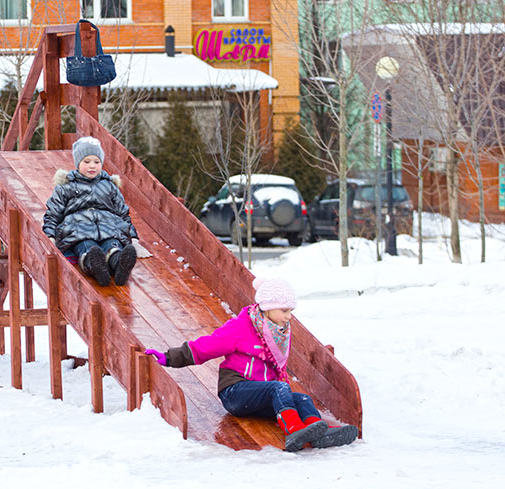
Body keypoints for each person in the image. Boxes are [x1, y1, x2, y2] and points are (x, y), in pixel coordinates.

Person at [144, 277, 358, 452]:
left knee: (301, 398)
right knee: (280, 387)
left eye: (290, 311)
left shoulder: (279, 333)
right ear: (268, 308)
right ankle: (294, 430)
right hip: (235, 391)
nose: (288, 317)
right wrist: (169, 358)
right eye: (284, 311)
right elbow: (207, 346)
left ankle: (316, 430)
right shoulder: (242, 327)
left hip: (261, 394)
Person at [42, 136, 139, 286]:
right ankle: (95, 267)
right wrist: (50, 235)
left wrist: (133, 237)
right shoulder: (67, 186)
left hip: (108, 225)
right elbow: (53, 213)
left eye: (96, 162)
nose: (92, 166)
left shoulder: (109, 185)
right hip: (78, 227)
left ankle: (119, 264)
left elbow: (122, 213)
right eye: (87, 162)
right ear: (77, 164)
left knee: (112, 244)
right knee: (87, 246)